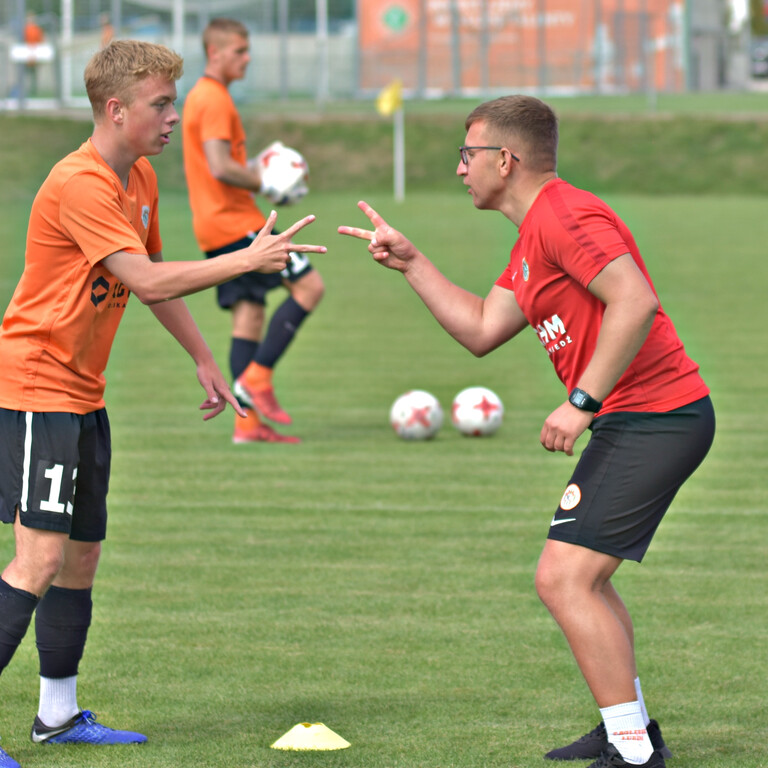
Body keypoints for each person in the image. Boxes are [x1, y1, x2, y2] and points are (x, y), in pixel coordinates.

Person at [338, 95, 714, 768]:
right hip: (641, 419)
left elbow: (635, 300)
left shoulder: (565, 215)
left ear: (504, 160)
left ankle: (631, 749)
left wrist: (580, 401)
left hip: (658, 417)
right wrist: (413, 263)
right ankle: (628, 728)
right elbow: (482, 328)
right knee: (583, 579)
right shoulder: (533, 235)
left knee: (563, 578)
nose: (460, 170)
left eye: (466, 154)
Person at [0, 39, 325, 768]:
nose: (172, 116)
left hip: (83, 392)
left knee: (80, 557)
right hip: (34, 388)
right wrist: (247, 259)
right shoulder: (80, 182)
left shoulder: (137, 175)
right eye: (160, 104)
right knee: (38, 559)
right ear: (116, 110)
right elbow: (145, 281)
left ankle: (56, 716)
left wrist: (205, 357)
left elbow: (148, 278)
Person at [183, 17, 325, 445]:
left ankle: (246, 425)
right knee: (309, 287)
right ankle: (257, 380)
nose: (248, 58)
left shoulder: (205, 96)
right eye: (240, 51)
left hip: (214, 224)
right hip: (236, 222)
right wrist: (267, 182)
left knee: (249, 315)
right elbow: (221, 166)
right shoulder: (213, 99)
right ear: (215, 53)